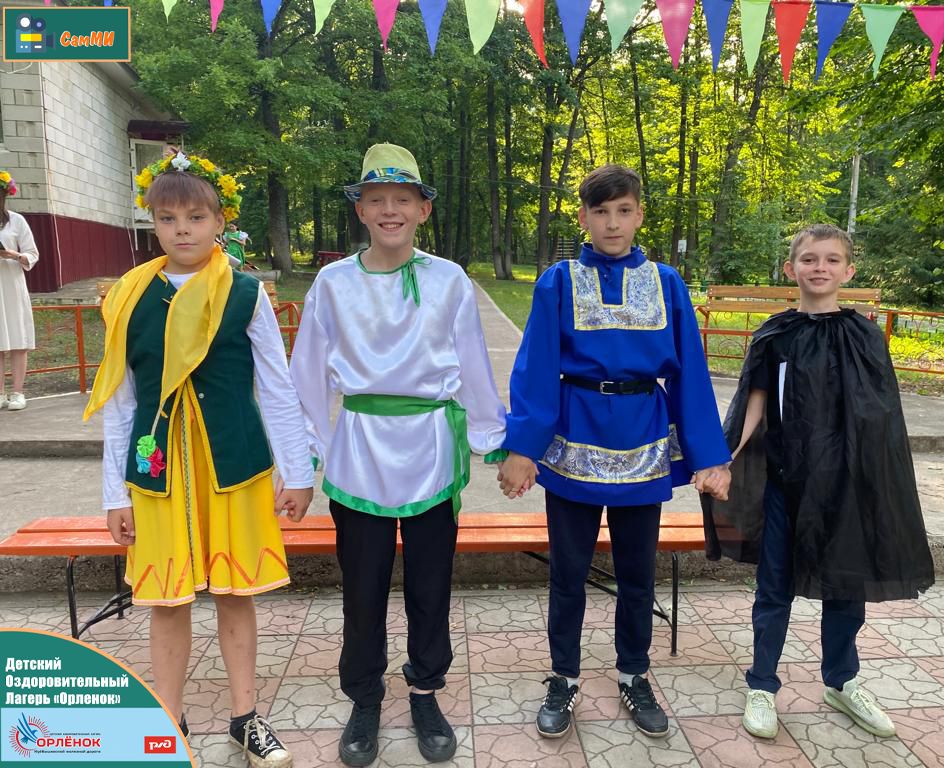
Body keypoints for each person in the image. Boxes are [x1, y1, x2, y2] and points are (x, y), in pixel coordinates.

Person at [84, 151, 314, 768]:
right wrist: (114, 494)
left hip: (232, 465)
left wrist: (299, 472)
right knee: (167, 599)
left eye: (195, 217)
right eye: (168, 218)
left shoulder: (244, 292)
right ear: (152, 223)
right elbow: (120, 402)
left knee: (236, 592)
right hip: (157, 471)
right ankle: (167, 720)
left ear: (220, 222)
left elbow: (278, 386)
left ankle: (246, 717)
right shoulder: (129, 296)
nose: (182, 229)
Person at [289, 143, 508, 766]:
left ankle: (425, 690)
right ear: (360, 210)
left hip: (430, 450)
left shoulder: (449, 279)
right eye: (377, 199)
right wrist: (303, 459)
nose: (390, 210)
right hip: (361, 450)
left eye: (403, 200)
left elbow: (472, 362)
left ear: (422, 210)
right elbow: (308, 376)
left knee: (431, 585)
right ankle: (364, 697)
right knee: (362, 588)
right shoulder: (333, 283)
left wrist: (494, 439)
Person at [498, 164, 732, 739]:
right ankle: (564, 676)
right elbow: (535, 367)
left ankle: (634, 673)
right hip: (573, 436)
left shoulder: (667, 283)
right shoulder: (557, 281)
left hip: (643, 438)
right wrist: (522, 447)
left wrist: (709, 454)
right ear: (583, 217)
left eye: (623, 210)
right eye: (600, 212)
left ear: (639, 215)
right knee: (568, 573)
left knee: (636, 573)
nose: (612, 223)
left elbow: (690, 372)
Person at [701, 223, 934, 741]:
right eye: (809, 259)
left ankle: (842, 681)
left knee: (846, 585)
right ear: (792, 269)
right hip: (786, 482)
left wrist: (878, 483)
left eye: (831, 260)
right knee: (774, 587)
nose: (820, 268)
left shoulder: (866, 336)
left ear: (848, 271)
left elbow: (881, 417)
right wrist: (723, 459)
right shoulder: (775, 334)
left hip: (847, 486)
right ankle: (762, 685)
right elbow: (754, 402)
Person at [0, 172, 39, 412]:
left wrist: (13, 255)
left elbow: (32, 254)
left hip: (12, 284)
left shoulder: (17, 221)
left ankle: (17, 392)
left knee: (17, 337)